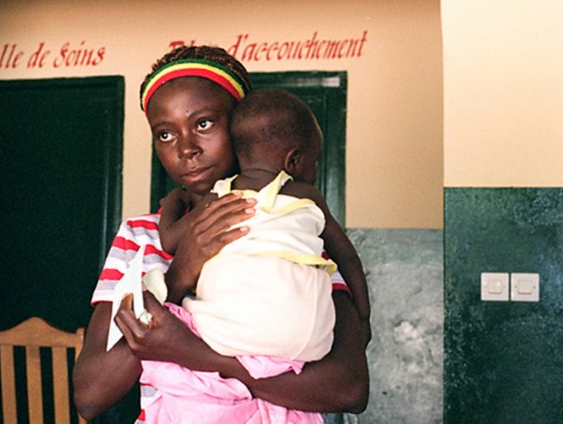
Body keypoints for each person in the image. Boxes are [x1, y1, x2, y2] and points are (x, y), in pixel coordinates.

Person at [73, 45, 369, 423]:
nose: (186, 149)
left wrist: (198, 355)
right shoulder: (141, 236)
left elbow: (349, 388)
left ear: (242, 125)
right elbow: (91, 395)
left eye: (203, 124)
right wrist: (179, 274)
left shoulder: (292, 225)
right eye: (165, 134)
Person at [157, 88, 371, 363]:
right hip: (310, 338)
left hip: (221, 335)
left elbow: (169, 240)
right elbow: (349, 259)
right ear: (293, 161)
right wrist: (364, 316)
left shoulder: (219, 197)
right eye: (314, 161)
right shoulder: (307, 196)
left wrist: (174, 201)